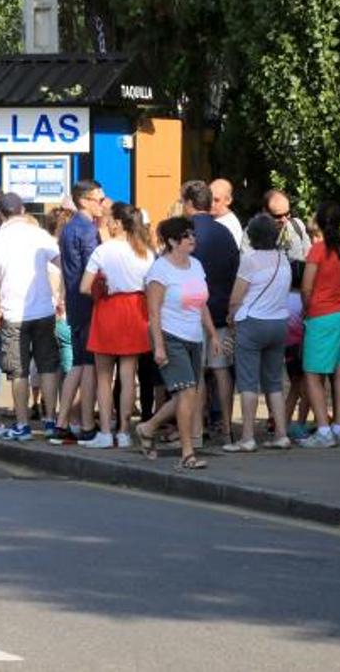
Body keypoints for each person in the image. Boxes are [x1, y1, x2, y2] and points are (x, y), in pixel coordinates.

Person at [140, 217, 218, 469]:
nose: (192, 239)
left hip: (195, 337)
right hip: (170, 336)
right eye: (186, 235)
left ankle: (148, 427)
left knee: (189, 395)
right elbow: (153, 312)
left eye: (193, 234)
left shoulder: (196, 265)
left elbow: (201, 303)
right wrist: (159, 346)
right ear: (173, 241)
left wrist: (213, 334)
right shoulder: (160, 270)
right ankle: (187, 453)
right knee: (186, 393)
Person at [0, 193, 62, 442]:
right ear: (23, 209)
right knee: (48, 366)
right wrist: (60, 297)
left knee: (18, 372)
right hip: (44, 310)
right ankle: (50, 421)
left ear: (0, 214)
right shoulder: (40, 235)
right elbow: (61, 264)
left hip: (13, 313)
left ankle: (22, 425)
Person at [80, 201, 154, 449]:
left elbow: (83, 286)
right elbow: (151, 287)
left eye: (110, 219)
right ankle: (124, 431)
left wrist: (103, 285)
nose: (107, 222)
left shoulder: (103, 251)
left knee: (103, 376)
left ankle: (104, 432)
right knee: (128, 374)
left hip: (108, 309)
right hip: (136, 310)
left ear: (119, 223)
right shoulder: (146, 251)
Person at [224, 215, 295, 453]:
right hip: (279, 323)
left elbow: (236, 297)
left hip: (252, 322)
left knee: (248, 382)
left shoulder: (249, 260)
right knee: (274, 382)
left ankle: (247, 437)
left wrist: (231, 317)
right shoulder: (283, 259)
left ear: (251, 236)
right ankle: (282, 434)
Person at [297, 202, 340, 449]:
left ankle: (323, 429)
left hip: (323, 315)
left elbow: (306, 286)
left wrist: (308, 308)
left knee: (313, 374)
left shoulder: (317, 250)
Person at [182, 180, 242, 443]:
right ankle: (227, 429)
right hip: (222, 309)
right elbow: (235, 269)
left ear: (189, 203)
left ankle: (197, 431)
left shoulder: (187, 233)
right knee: (221, 370)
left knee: (197, 373)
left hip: (194, 312)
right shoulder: (225, 233)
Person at [51, 179, 106, 443]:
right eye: (99, 199)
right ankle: (85, 423)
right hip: (88, 302)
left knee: (78, 363)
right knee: (89, 365)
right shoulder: (87, 230)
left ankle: (63, 421)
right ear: (84, 201)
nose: (103, 205)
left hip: (74, 301)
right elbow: (93, 267)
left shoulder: (69, 228)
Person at [209, 179, 244, 249]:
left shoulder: (229, 225)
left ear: (228, 200)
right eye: (209, 199)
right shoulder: (216, 220)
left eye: (216, 200)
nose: (211, 204)